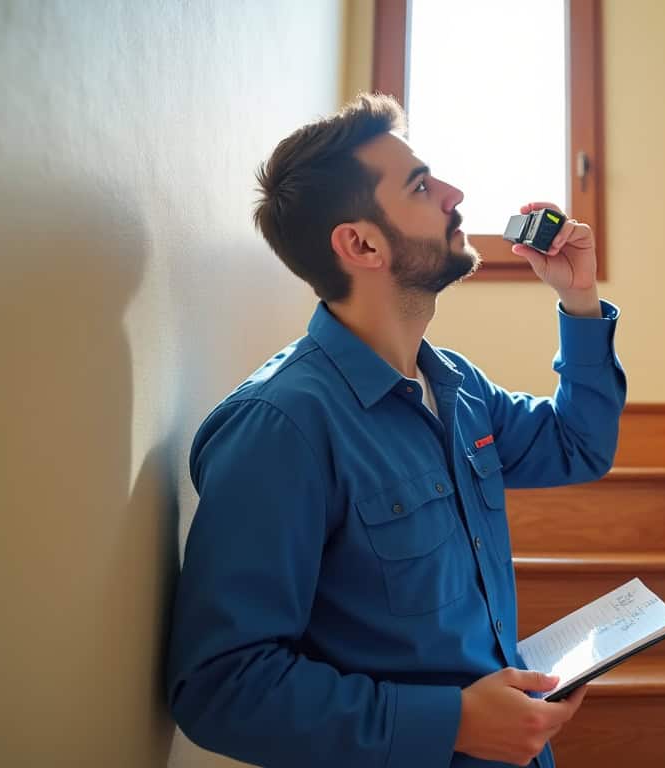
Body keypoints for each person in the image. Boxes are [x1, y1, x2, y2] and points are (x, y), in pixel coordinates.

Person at [165, 92, 626, 768]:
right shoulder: (280, 427)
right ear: (360, 243)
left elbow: (578, 445)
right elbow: (221, 688)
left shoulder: (457, 387)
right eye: (420, 185)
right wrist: (454, 723)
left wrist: (578, 301)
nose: (454, 193)